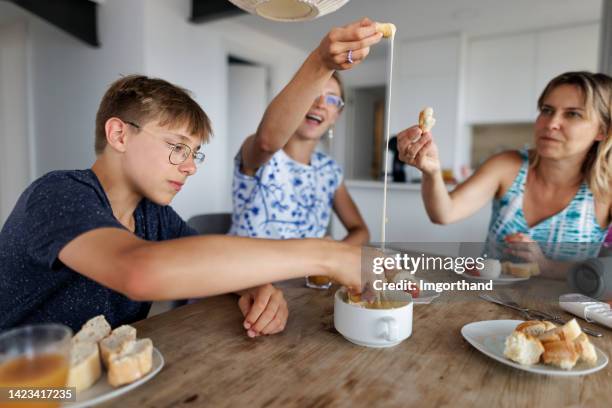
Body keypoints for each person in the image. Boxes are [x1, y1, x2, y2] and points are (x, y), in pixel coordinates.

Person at [0, 73, 364, 336]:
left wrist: (254, 287)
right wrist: (324, 254)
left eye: (194, 154)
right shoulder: (56, 194)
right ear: (119, 134)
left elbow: (211, 257)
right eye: (177, 148)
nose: (189, 166)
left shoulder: (154, 216)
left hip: (97, 381)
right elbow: (138, 272)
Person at [397, 71, 612, 279]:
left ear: (601, 130)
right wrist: (432, 171)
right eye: (546, 110)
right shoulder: (508, 165)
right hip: (489, 304)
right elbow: (444, 213)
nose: (551, 123)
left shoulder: (606, 190)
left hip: (564, 314)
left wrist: (547, 267)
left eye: (573, 114)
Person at [230, 19, 379, 287]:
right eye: (314, 95)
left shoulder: (329, 170)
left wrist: (330, 257)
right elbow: (267, 142)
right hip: (242, 285)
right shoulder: (259, 154)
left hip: (301, 290)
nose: (321, 104)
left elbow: (361, 231)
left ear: (337, 115)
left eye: (332, 99)